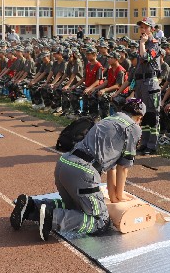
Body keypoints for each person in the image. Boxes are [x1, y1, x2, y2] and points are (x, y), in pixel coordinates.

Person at [10, 98, 145, 241]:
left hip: (64, 163)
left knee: (77, 206)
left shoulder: (108, 120)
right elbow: (123, 168)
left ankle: (31, 206)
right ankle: (52, 217)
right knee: (101, 222)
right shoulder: (133, 128)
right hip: (83, 171)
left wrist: (115, 197)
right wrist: (120, 196)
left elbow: (112, 168)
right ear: (139, 117)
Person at [135, 18, 162, 155]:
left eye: (146, 27)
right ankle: (144, 143)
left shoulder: (155, 44)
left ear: (152, 29)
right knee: (143, 114)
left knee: (152, 114)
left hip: (150, 82)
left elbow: (146, 57)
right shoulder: (142, 43)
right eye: (141, 27)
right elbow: (138, 66)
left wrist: (142, 43)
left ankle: (152, 145)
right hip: (141, 82)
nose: (143, 30)